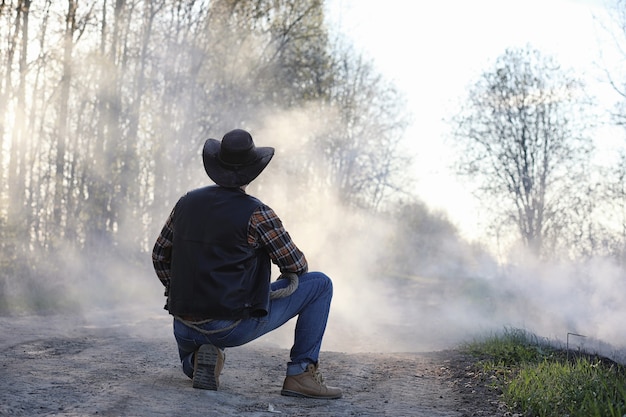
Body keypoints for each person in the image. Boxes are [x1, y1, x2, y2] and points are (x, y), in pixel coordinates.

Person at [151, 128, 342, 399]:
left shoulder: (185, 204)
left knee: (194, 351)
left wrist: (180, 291)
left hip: (184, 324)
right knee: (321, 284)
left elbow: (159, 255)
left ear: (216, 164)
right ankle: (301, 374)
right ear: (252, 170)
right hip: (230, 327)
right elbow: (297, 266)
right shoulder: (258, 213)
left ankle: (198, 362)